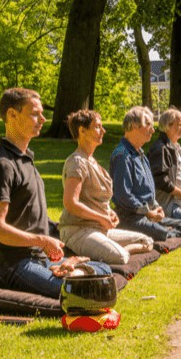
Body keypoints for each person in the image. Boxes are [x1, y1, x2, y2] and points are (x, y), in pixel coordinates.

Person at [0, 88, 110, 299]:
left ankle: (71, 271)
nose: (43, 119)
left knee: (104, 269)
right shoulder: (2, 164)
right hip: (14, 263)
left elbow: (33, 218)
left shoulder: (26, 160)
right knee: (81, 290)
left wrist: (61, 240)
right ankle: (71, 276)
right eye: (34, 113)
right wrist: (42, 241)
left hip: (42, 258)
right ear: (12, 115)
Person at [59, 110, 153, 265]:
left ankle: (115, 250)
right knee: (121, 257)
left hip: (101, 229)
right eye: (97, 127)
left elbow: (96, 199)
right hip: (78, 230)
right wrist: (100, 217)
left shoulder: (92, 161)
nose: (103, 131)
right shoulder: (77, 162)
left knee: (146, 240)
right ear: (82, 131)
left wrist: (109, 212)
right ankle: (115, 251)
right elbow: (70, 203)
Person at [109, 106, 181, 241]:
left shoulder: (141, 154)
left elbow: (150, 190)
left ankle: (162, 231)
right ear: (134, 125)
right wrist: (148, 212)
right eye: (148, 124)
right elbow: (123, 195)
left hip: (148, 213)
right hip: (131, 217)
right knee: (162, 233)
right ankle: (159, 233)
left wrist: (157, 207)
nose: (153, 130)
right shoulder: (122, 155)